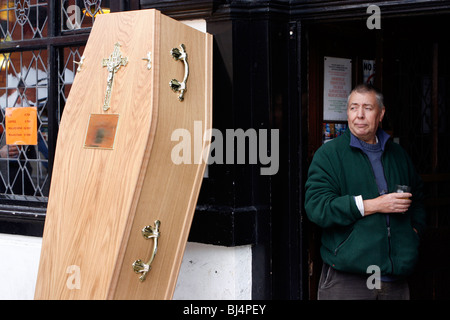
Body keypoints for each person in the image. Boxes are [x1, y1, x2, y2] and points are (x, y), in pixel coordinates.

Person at [305, 84, 426, 300]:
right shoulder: (329, 155)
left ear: (381, 114)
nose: (359, 115)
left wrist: (413, 233)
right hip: (348, 279)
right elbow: (317, 208)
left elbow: (418, 199)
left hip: (395, 279)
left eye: (368, 108)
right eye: (353, 108)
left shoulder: (398, 155)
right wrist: (373, 205)